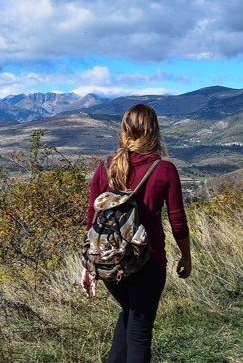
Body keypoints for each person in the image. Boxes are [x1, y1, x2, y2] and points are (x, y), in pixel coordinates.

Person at [81, 103, 191, 363]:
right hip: (148, 262)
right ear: (154, 131)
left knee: (129, 316)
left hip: (109, 263)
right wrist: (186, 257)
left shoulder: (105, 166)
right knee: (140, 335)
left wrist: (88, 265)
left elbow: (92, 218)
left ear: (124, 130)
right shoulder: (164, 169)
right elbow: (178, 221)